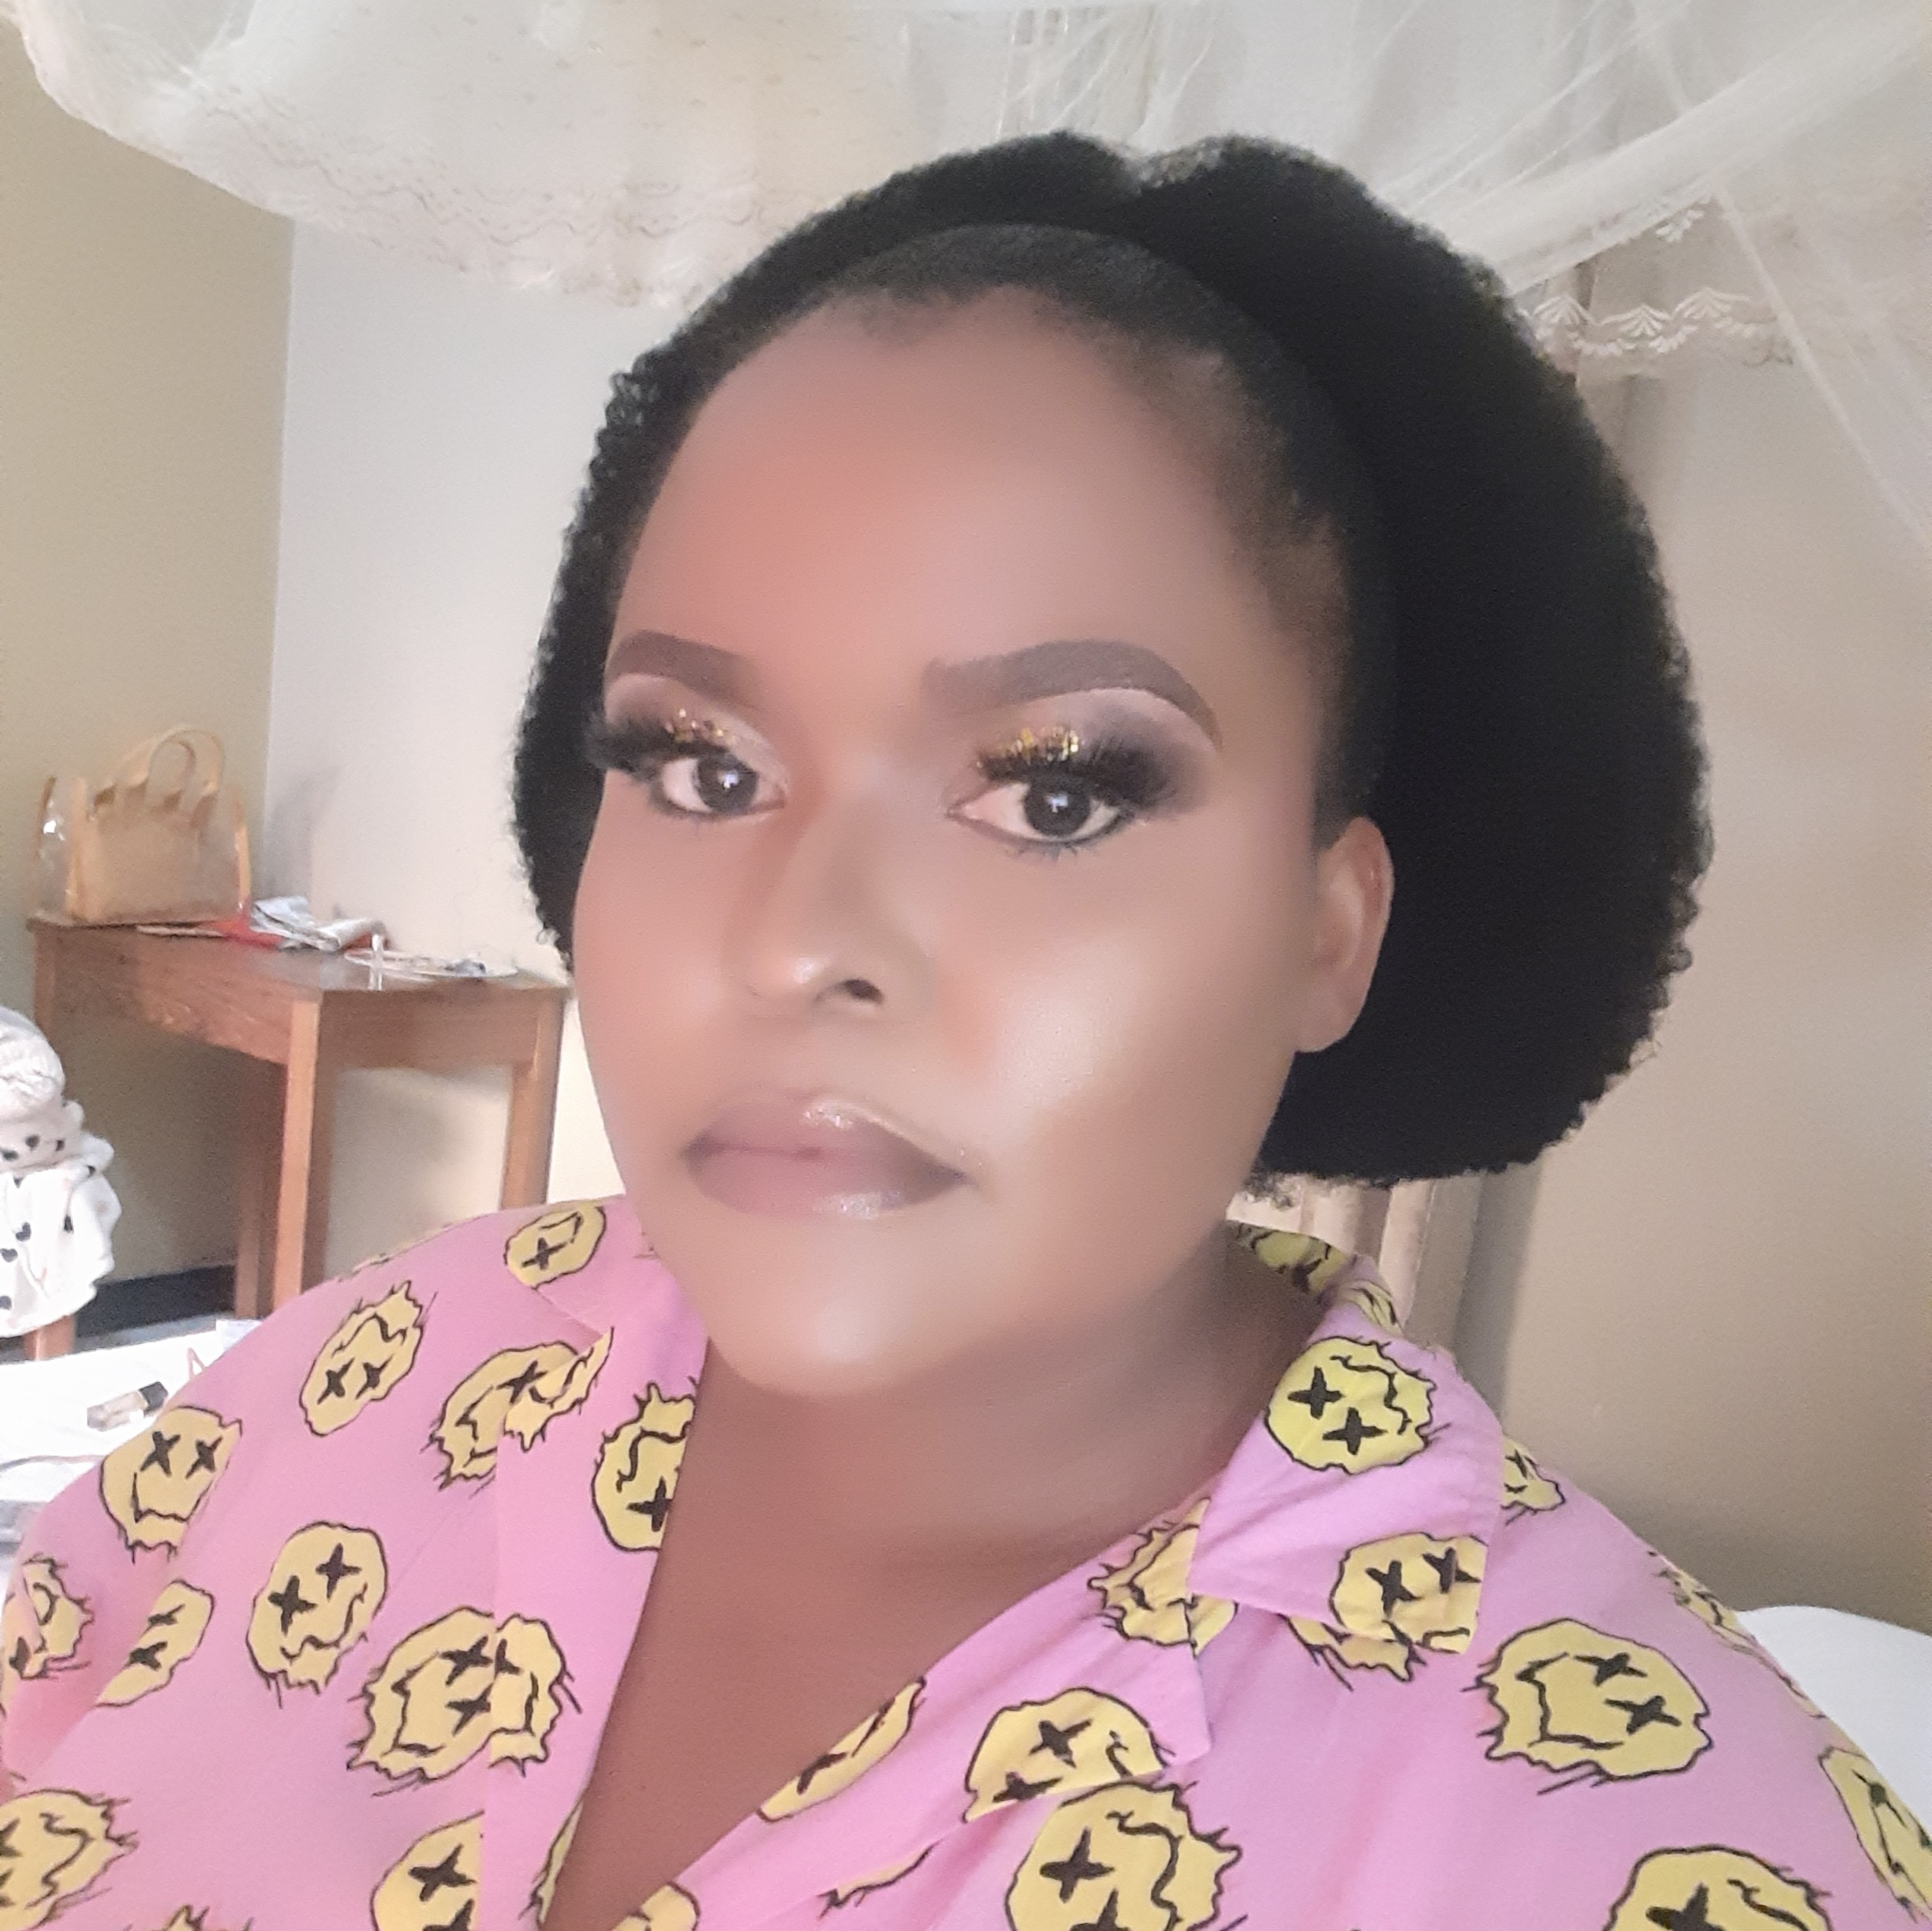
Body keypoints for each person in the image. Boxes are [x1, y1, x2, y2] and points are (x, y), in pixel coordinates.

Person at [2, 133, 1923, 1931]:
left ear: (1325, 932)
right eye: (699, 764)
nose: (797, 942)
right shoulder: (374, 1369)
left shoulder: (1638, 1840)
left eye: (1056, 792)